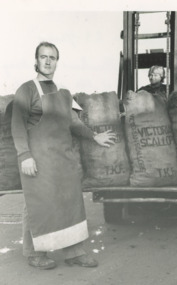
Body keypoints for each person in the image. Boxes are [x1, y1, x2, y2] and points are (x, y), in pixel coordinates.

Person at [11, 41, 116, 270]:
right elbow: (17, 125)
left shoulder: (64, 93)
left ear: (57, 61)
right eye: (43, 57)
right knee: (37, 204)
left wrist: (94, 136)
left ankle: (74, 252)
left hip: (63, 158)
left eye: (53, 57)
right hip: (37, 158)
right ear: (36, 61)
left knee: (71, 202)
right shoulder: (26, 90)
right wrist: (24, 156)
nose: (48, 61)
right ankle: (35, 253)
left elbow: (74, 123)